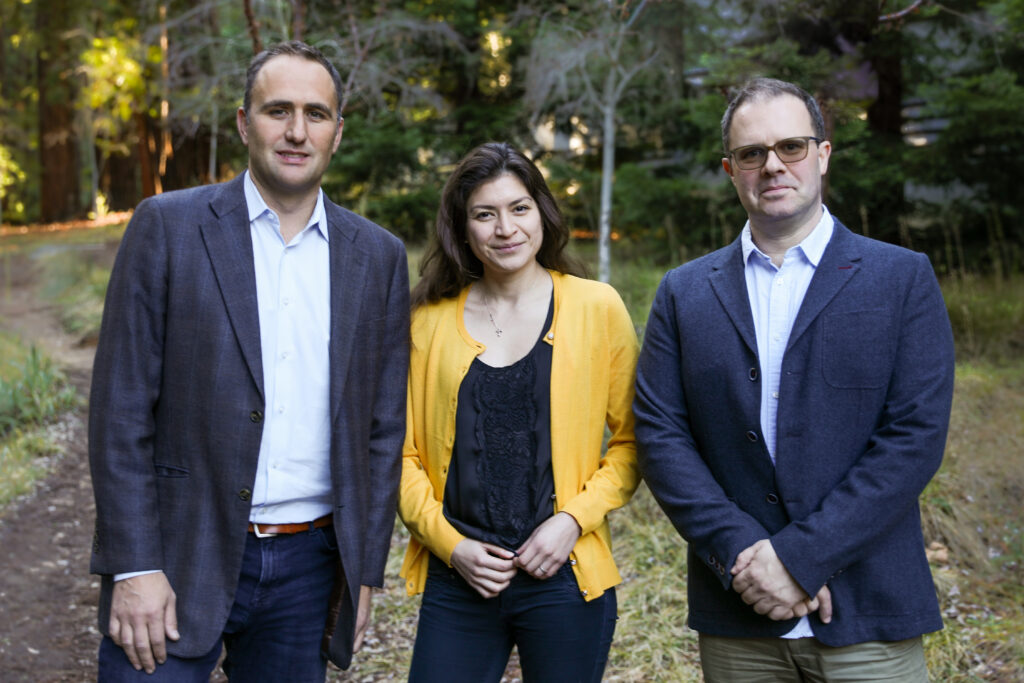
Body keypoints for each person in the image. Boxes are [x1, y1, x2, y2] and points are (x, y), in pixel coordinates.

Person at [88, 41, 409, 682]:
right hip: (178, 556)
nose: (296, 131)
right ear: (243, 122)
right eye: (278, 110)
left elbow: (381, 430)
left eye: (316, 114)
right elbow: (120, 411)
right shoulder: (168, 227)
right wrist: (134, 564)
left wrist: (364, 571)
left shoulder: (377, 256)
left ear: (338, 133)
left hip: (309, 570)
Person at [633, 77, 955, 681]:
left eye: (792, 147)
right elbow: (660, 436)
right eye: (752, 154)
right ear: (731, 170)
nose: (773, 166)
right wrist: (742, 558)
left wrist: (802, 560)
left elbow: (914, 438)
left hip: (869, 614)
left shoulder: (901, 278)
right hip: (739, 615)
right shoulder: (684, 292)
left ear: (823, 155)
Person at [397, 142, 640, 682]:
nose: (505, 228)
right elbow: (402, 455)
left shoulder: (597, 307)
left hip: (564, 572)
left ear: (542, 214)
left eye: (519, 208)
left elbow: (631, 444)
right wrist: (451, 546)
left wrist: (571, 522)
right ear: (463, 229)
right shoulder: (427, 322)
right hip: (459, 577)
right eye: (485, 214)